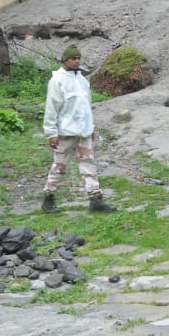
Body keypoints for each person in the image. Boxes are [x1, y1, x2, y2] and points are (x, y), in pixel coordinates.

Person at [41, 44, 116, 213]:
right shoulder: (57, 81)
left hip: (84, 132)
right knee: (59, 166)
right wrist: (51, 133)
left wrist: (91, 128)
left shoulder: (82, 81)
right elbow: (51, 108)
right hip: (65, 133)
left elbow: (87, 107)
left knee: (89, 164)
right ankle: (48, 198)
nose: (77, 61)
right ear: (65, 60)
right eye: (73, 58)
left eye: (78, 58)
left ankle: (95, 200)